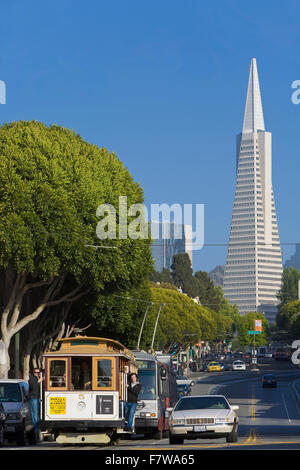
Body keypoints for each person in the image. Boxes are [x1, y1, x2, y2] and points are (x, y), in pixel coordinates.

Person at [28, 368, 43, 438]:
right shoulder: (31, 379)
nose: (37, 374)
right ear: (33, 373)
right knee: (35, 414)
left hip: (39, 398)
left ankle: (39, 428)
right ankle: (36, 429)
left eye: (38, 372)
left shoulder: (40, 378)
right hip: (33, 398)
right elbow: (31, 387)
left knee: (39, 414)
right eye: (35, 372)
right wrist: (38, 382)